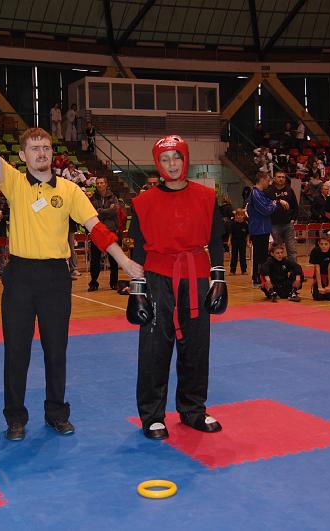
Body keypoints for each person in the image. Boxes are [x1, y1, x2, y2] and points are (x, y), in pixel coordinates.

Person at [0, 120, 142, 442]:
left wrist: (124, 261)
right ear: (23, 155)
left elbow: (97, 229)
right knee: (16, 352)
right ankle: (15, 418)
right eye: (34, 148)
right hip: (20, 276)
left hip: (55, 277)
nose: (41, 153)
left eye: (46, 148)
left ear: (53, 153)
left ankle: (56, 414)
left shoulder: (69, 190)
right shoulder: (13, 182)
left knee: (56, 350)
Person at [126, 135, 227, 440]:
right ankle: (152, 415)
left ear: (185, 159)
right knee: (155, 348)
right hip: (158, 276)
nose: (172, 164)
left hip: (196, 275)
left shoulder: (206, 197)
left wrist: (218, 278)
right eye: (165, 159)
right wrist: (137, 289)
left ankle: (193, 409)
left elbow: (216, 239)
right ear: (158, 163)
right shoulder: (143, 202)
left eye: (177, 157)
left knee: (196, 346)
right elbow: (138, 248)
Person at [247, 171, 288, 288]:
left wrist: (276, 202)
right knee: (259, 256)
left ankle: (263, 277)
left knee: (263, 256)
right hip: (258, 228)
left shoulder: (261, 193)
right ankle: (256, 278)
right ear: (262, 179)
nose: (269, 183)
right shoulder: (255, 193)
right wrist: (276, 204)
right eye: (268, 180)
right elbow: (266, 209)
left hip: (264, 228)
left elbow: (269, 203)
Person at [88, 176, 120, 291]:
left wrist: (100, 211)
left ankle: (114, 282)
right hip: (97, 231)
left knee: (113, 259)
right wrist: (107, 210)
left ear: (106, 184)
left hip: (111, 231)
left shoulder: (113, 197)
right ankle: (93, 283)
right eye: (98, 183)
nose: (100, 185)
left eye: (102, 183)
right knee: (95, 259)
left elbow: (114, 211)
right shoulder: (92, 198)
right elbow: (91, 212)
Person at [267, 171, 298, 263]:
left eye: (283, 177)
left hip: (288, 224)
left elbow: (295, 206)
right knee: (277, 250)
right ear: (274, 178)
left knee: (292, 249)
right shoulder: (269, 190)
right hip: (274, 225)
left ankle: (293, 269)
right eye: (279, 177)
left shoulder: (289, 190)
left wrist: (293, 219)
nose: (281, 179)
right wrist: (279, 200)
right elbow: (266, 204)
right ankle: (278, 269)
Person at [309, 233, 330, 301]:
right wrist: (319, 286)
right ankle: (317, 289)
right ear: (318, 244)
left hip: (329, 275)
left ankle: (329, 289)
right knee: (318, 297)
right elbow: (317, 269)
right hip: (319, 275)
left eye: (326, 244)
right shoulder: (315, 251)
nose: (323, 246)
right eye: (321, 244)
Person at [229, 208, 248, 275]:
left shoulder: (245, 224)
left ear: (244, 216)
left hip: (242, 241)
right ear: (235, 215)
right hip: (234, 241)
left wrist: (248, 241)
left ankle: (244, 270)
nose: (239, 216)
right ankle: (232, 270)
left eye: (241, 215)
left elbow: (248, 234)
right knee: (234, 255)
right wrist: (229, 241)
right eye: (238, 215)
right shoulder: (233, 224)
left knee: (243, 256)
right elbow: (230, 233)